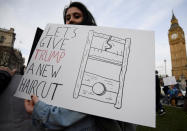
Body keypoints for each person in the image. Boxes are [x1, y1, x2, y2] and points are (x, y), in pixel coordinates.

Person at [24, 2, 136, 131]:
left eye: (76, 16)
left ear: (87, 20)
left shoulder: (100, 52)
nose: (70, 20)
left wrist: (40, 110)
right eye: (67, 18)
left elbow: (82, 107)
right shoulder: (62, 54)